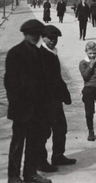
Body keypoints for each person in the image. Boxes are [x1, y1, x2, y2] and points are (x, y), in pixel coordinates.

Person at [4, 19, 52, 183]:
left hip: (37, 108)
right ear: (25, 34)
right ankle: (14, 176)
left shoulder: (39, 54)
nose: (34, 37)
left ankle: (30, 174)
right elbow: (9, 83)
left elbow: (44, 81)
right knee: (17, 144)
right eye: (31, 34)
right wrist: (17, 104)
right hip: (21, 108)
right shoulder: (15, 53)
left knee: (34, 142)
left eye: (37, 35)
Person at [37, 25, 77, 171]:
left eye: (55, 39)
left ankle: (58, 156)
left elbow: (57, 77)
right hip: (44, 101)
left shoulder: (53, 52)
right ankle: (40, 161)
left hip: (55, 100)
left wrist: (64, 94)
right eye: (50, 38)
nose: (53, 41)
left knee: (61, 128)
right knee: (44, 131)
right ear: (43, 37)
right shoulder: (41, 54)